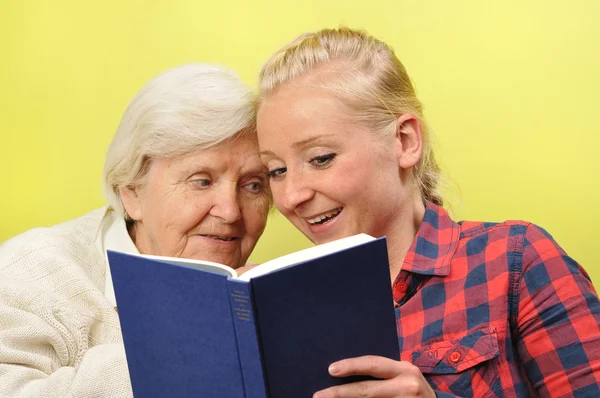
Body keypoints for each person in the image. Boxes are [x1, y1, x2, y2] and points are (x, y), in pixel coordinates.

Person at [256, 27, 600, 398]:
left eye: (321, 158)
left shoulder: (516, 261)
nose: (291, 196)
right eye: (277, 170)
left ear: (404, 141)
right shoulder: (287, 308)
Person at [0, 64, 271, 397]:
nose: (231, 211)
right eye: (201, 181)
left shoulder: (258, 293)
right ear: (132, 191)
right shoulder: (30, 273)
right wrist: (198, 335)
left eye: (254, 185)